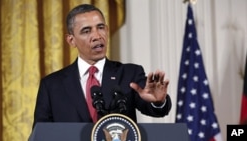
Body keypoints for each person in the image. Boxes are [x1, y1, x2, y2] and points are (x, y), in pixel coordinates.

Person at [32, 4, 171, 128]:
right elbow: (41, 134)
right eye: (86, 31)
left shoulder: (129, 74)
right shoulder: (51, 85)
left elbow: (153, 108)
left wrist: (158, 102)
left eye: (100, 27)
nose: (97, 35)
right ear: (71, 40)